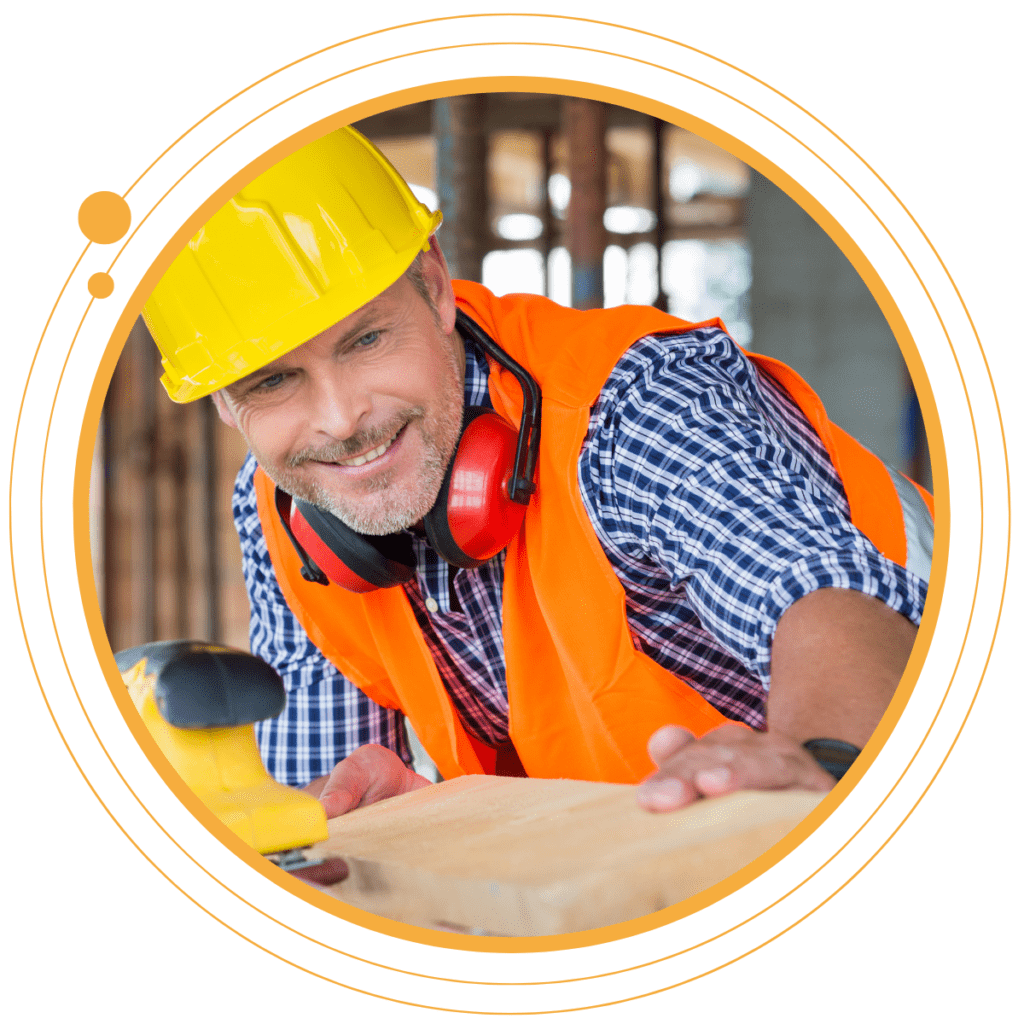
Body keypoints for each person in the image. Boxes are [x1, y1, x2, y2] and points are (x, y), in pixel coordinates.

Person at [142, 125, 931, 823]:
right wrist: (398, 836)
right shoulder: (288, 508)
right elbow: (319, 808)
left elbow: (824, 596)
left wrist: (826, 767)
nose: (342, 419)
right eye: (271, 382)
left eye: (367, 339)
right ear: (221, 401)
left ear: (435, 284)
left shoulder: (633, 405)